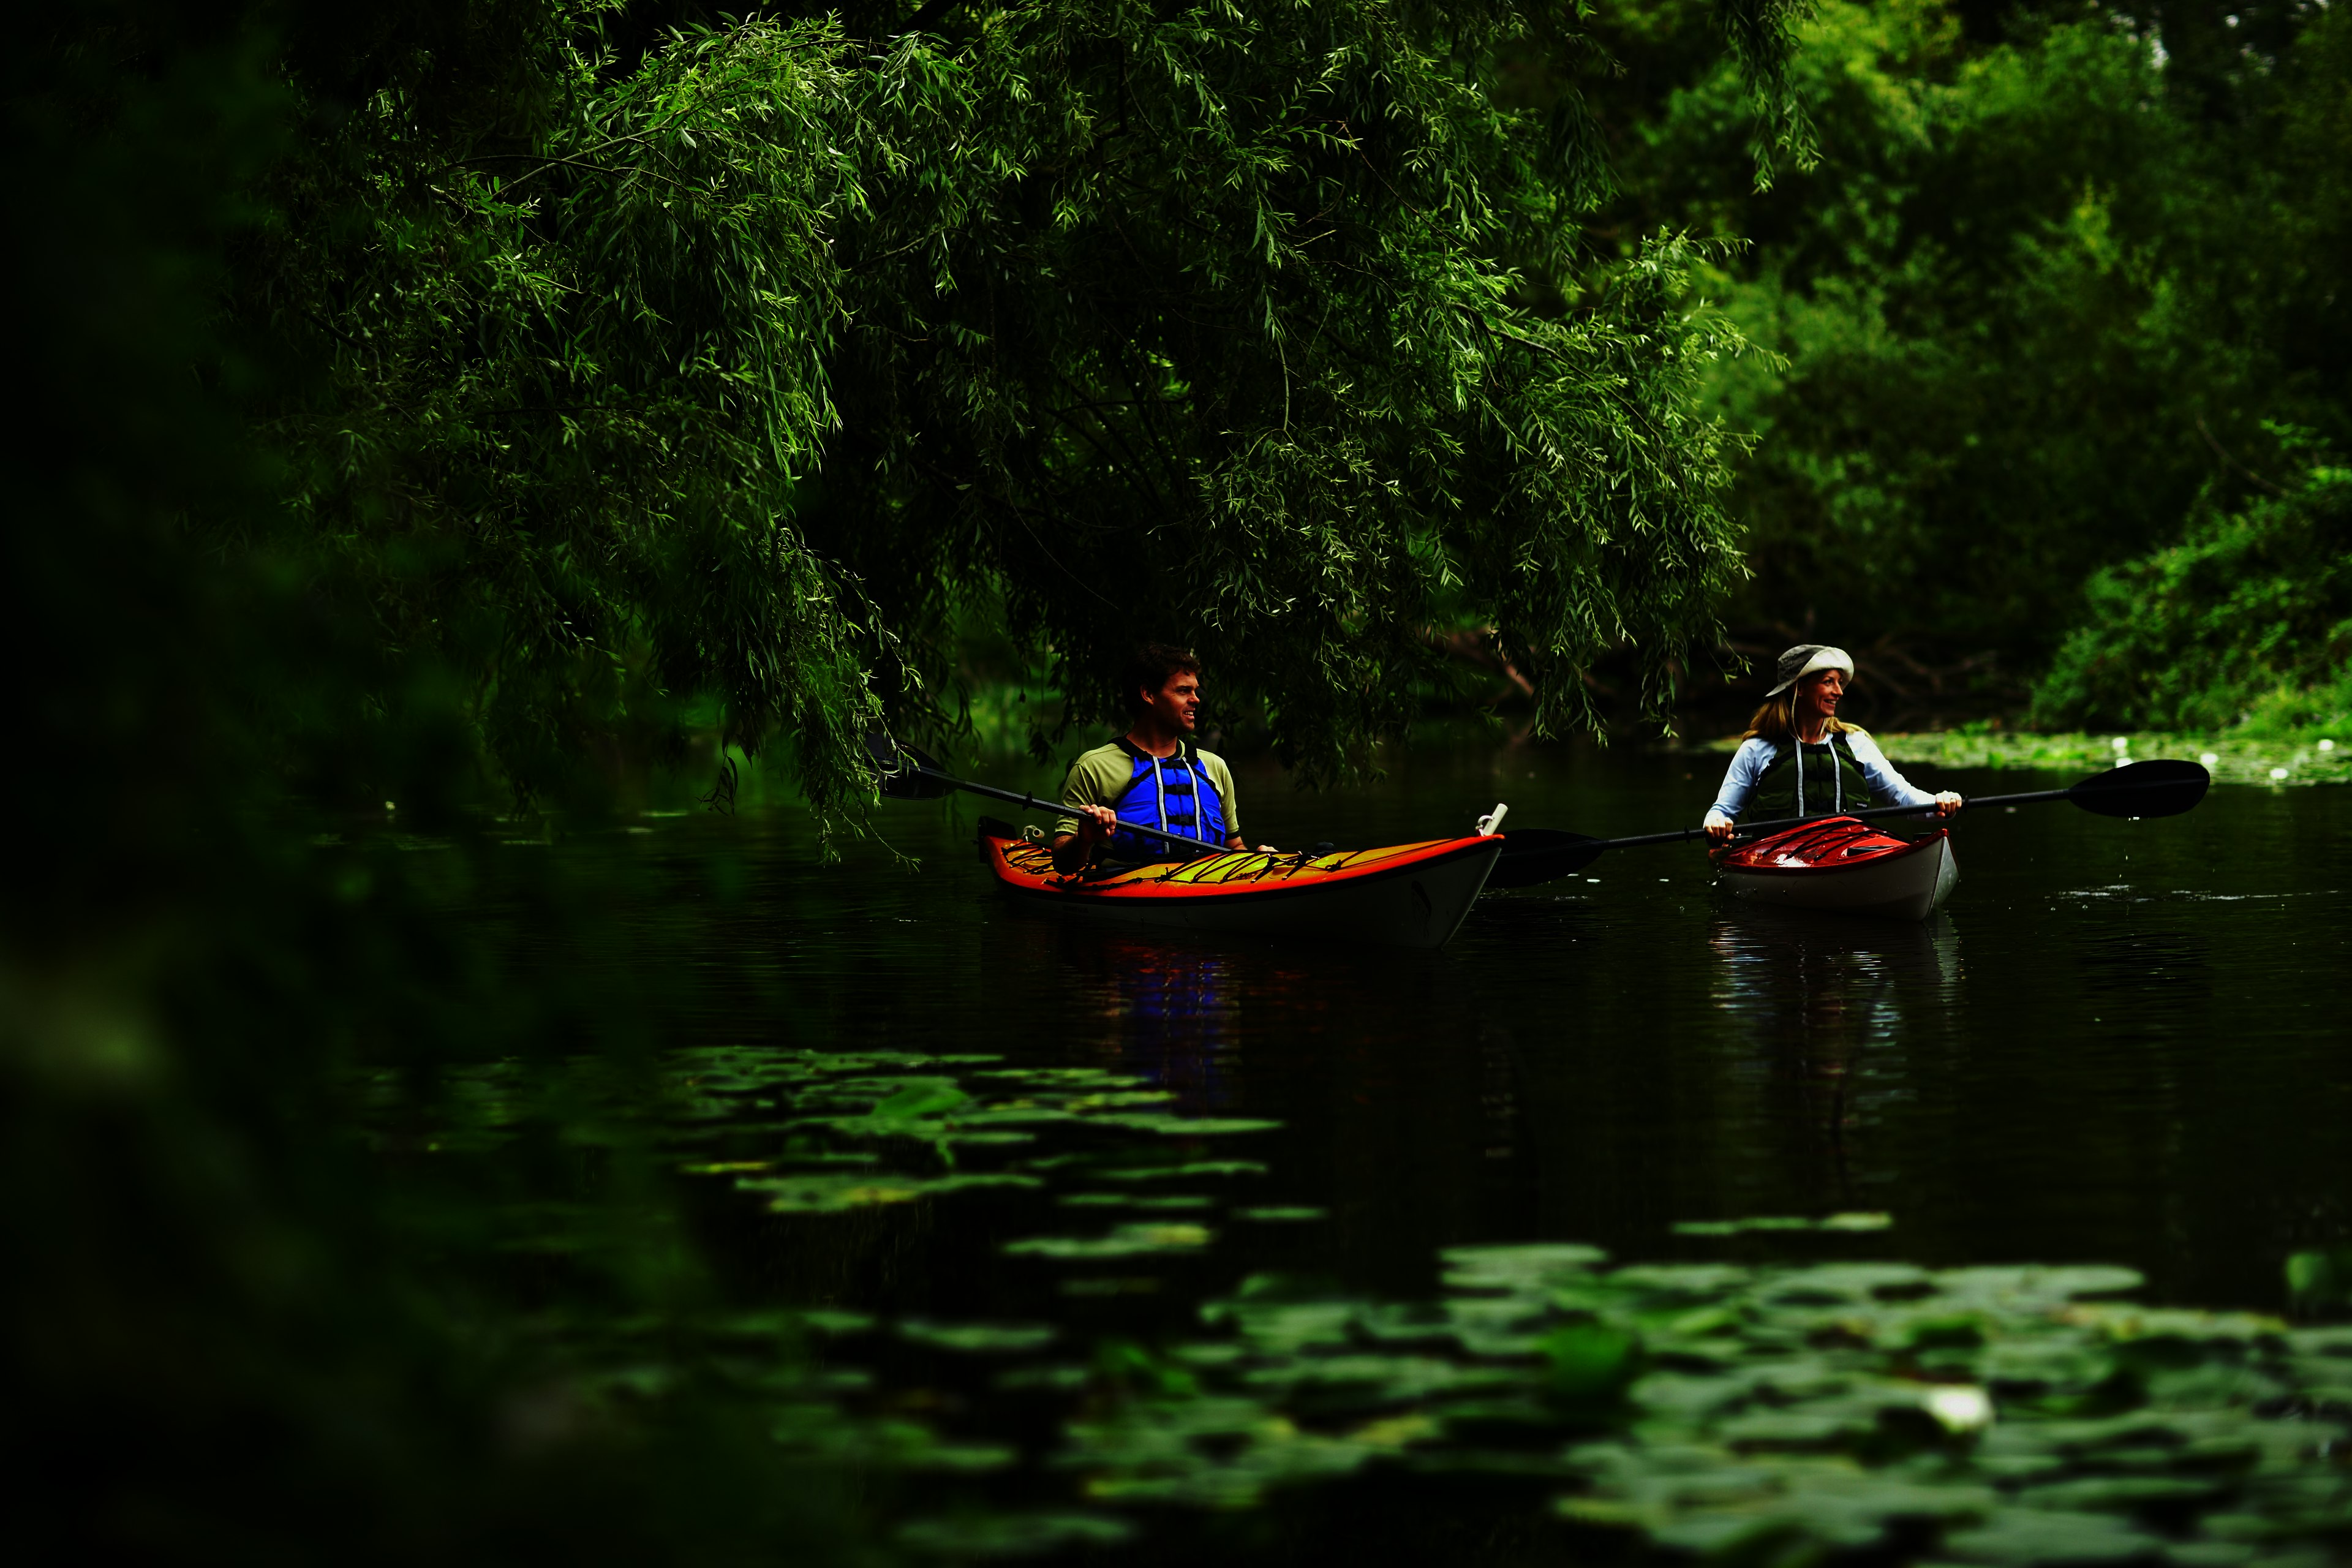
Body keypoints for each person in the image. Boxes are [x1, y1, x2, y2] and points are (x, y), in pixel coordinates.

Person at [1703, 644, 1962, 845]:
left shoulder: (1856, 744)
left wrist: (1940, 804)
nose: (1839, 692)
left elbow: (1903, 798)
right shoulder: (1757, 749)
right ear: (1800, 688)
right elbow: (1723, 811)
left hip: (1848, 850)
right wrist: (1716, 824)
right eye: (1828, 682)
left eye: (1840, 683)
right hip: (1779, 854)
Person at [1053, 644, 1271, 873]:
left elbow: (1234, 846)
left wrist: (1258, 861)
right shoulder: (1094, 767)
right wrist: (1083, 840)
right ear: (1148, 694)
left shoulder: (1214, 766)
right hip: (1128, 890)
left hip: (1208, 886)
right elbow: (1062, 864)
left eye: (1196, 691)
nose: (1196, 700)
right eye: (1183, 691)